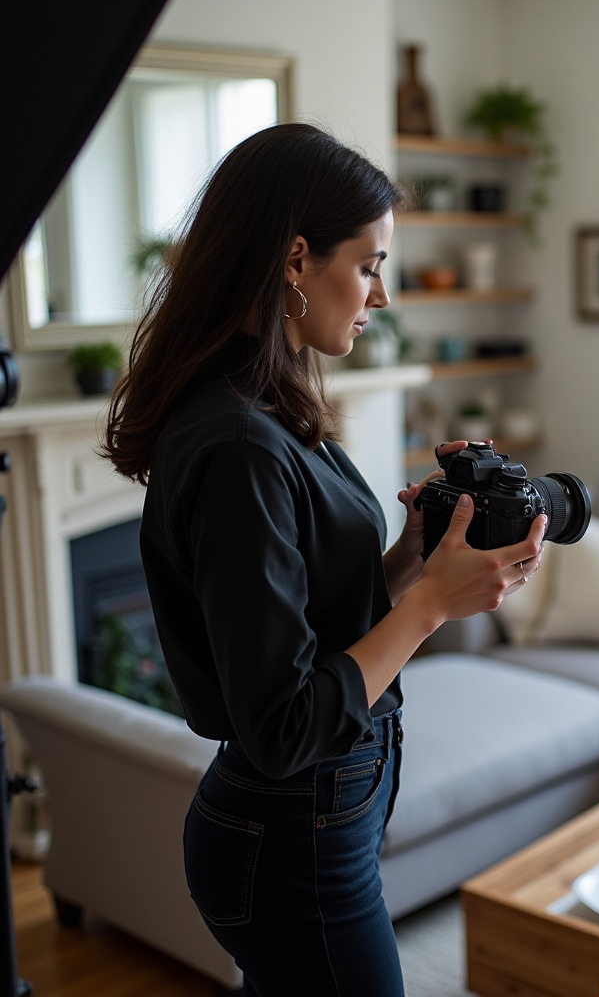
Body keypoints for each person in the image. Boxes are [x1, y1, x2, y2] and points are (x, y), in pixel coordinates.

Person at [102, 122, 545, 997]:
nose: (381, 295)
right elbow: (280, 726)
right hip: (291, 837)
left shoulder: (265, 406)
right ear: (297, 261)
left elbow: (307, 626)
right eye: (372, 263)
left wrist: (412, 560)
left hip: (312, 826)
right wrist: (430, 611)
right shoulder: (239, 444)